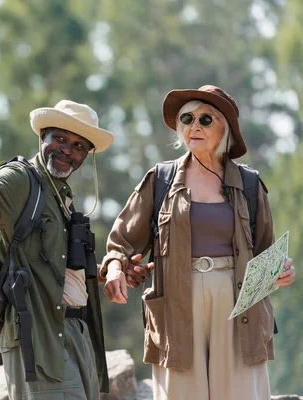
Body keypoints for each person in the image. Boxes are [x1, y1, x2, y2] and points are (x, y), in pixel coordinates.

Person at [0, 100, 149, 399]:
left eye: (79, 145)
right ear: (42, 135)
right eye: (60, 138)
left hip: (76, 333)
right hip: (38, 337)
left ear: (87, 155)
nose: (68, 150)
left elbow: (53, 267)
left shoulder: (61, 196)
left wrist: (106, 274)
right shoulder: (20, 178)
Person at [99, 85, 296, 399]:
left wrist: (282, 271)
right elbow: (120, 241)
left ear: (225, 129)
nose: (194, 126)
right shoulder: (160, 180)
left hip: (238, 305)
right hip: (176, 305)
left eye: (206, 119)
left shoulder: (248, 183)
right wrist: (113, 269)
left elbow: (268, 254)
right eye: (187, 118)